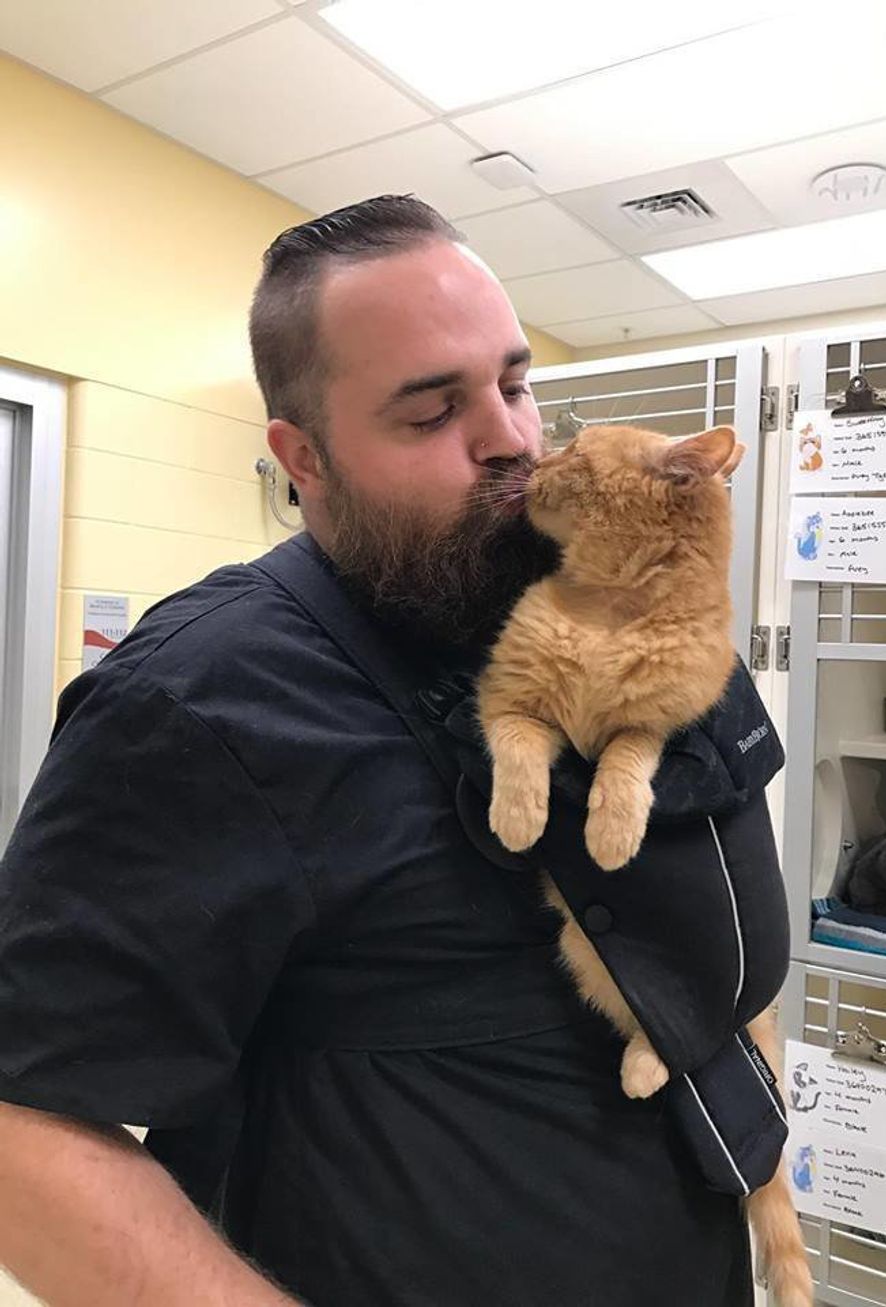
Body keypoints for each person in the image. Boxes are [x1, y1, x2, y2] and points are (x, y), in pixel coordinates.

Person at [0, 195, 755, 1306]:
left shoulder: (578, 600)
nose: (507, 436)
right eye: (429, 411)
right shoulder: (199, 702)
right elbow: (26, 1121)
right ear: (302, 456)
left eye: (513, 380)